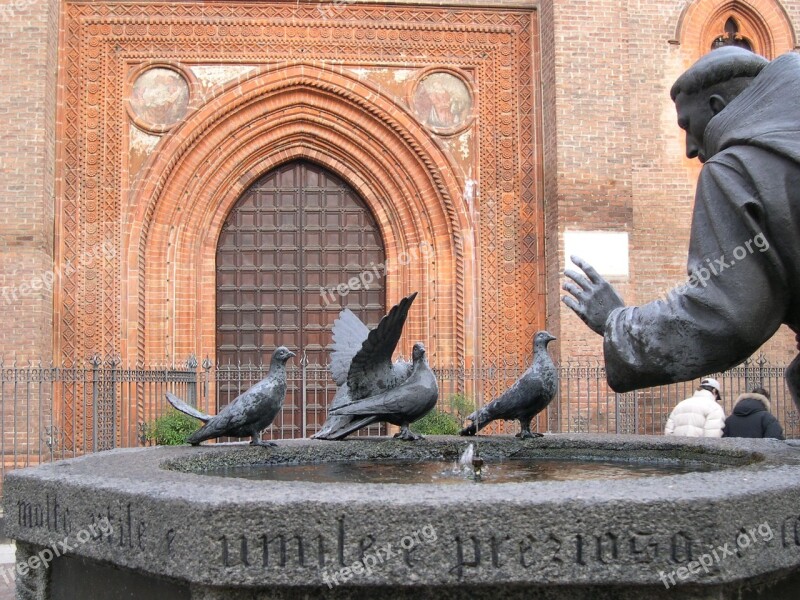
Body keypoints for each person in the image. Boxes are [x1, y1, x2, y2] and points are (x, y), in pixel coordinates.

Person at [561, 47, 800, 410]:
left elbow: (725, 316)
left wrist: (617, 322)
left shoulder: (737, 168)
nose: (690, 148)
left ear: (718, 107)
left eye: (688, 125)